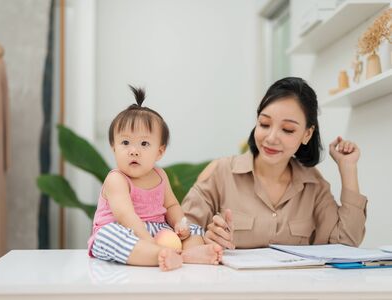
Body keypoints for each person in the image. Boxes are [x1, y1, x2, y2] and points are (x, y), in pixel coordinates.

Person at [182, 77, 367, 250]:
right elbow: (180, 232)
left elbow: (346, 244)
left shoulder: (313, 184)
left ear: (307, 134)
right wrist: (207, 238)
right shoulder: (221, 172)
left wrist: (348, 169)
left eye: (287, 130)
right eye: (264, 124)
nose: (271, 138)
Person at [88, 86, 222, 271]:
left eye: (144, 143)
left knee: (194, 231)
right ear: (114, 148)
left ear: (159, 152)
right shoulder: (116, 179)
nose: (133, 150)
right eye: (125, 142)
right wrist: (148, 241)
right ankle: (159, 255)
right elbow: (124, 215)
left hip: (158, 229)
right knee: (108, 237)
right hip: (124, 229)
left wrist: (179, 224)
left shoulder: (160, 176)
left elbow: (172, 205)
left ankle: (189, 253)